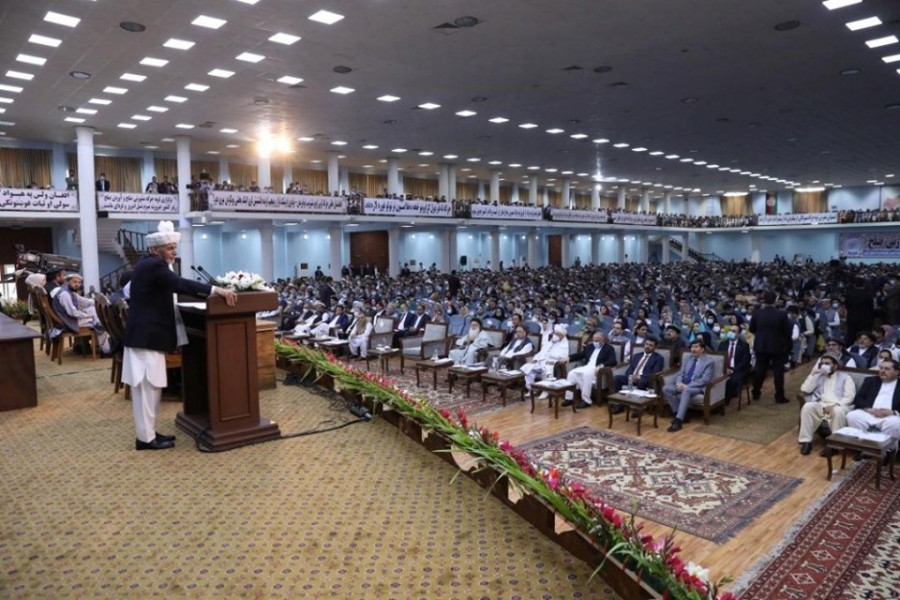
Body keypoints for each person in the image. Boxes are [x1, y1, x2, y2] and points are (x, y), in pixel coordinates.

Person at [123, 220, 237, 451]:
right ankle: (145, 439)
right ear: (156, 249)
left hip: (148, 337)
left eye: (175, 247)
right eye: (169, 248)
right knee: (147, 389)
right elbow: (178, 284)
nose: (174, 251)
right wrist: (217, 290)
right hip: (145, 338)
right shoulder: (154, 265)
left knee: (153, 388)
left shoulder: (152, 264)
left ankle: (149, 434)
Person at [797, 352, 856, 456]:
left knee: (837, 411)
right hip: (822, 405)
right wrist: (812, 374)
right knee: (807, 406)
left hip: (839, 406)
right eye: (823, 363)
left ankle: (835, 445)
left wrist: (834, 405)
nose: (824, 366)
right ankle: (806, 442)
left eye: (827, 363)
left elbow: (849, 397)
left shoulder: (846, 378)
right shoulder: (819, 376)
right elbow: (805, 389)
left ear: (836, 365)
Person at [846, 359, 900, 463]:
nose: (883, 371)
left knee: (896, 424)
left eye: (887, 369)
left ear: (897, 372)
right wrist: (868, 409)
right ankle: (862, 448)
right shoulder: (870, 381)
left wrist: (892, 412)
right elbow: (859, 398)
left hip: (890, 416)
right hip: (870, 413)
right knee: (852, 415)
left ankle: (887, 452)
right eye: (881, 368)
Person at [52, 273, 111, 355]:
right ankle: (106, 351)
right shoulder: (65, 294)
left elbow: (84, 301)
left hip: (69, 319)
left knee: (92, 309)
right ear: (68, 282)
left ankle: (96, 345)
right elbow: (72, 313)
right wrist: (88, 316)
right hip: (69, 322)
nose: (77, 284)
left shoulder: (70, 292)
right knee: (100, 324)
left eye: (79, 282)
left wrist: (97, 302)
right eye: (74, 282)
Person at [750, 291, 792, 404]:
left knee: (759, 370)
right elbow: (787, 332)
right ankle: (779, 396)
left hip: (761, 345)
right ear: (776, 300)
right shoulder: (781, 314)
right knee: (778, 372)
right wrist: (789, 347)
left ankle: (756, 393)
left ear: (763, 299)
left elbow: (751, 329)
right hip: (777, 346)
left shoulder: (757, 313)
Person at [663, 340, 716, 432]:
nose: (693, 349)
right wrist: (679, 383)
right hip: (683, 384)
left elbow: (705, 380)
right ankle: (679, 414)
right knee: (666, 388)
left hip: (698, 387)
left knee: (686, 391)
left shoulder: (709, 362)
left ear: (702, 349)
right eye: (692, 347)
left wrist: (687, 386)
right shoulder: (688, 358)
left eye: (696, 347)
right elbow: (681, 373)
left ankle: (678, 421)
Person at [561, 330, 618, 408]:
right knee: (572, 373)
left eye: (597, 341)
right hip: (587, 367)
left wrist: (602, 365)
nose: (595, 342)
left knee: (586, 375)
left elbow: (613, 361)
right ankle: (569, 398)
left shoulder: (609, 348)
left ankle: (586, 400)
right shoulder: (590, 346)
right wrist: (569, 358)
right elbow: (581, 354)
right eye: (594, 340)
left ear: (602, 340)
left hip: (597, 369)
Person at [520, 324, 570, 393]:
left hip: (553, 361)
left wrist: (549, 357)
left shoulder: (564, 345)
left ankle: (546, 390)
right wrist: (535, 359)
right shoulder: (550, 342)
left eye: (558, 334)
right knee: (529, 367)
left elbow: (562, 357)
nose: (555, 335)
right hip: (541, 360)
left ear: (562, 335)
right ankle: (531, 389)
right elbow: (541, 352)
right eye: (555, 333)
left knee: (547, 368)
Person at [718, 328, 752, 406]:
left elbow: (745, 361)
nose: (730, 332)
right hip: (724, 368)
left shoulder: (744, 345)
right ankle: (715, 400)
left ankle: (725, 401)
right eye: (729, 330)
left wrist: (733, 370)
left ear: (738, 334)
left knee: (732, 381)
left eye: (733, 331)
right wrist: (724, 368)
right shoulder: (723, 344)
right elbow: (719, 358)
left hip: (737, 369)